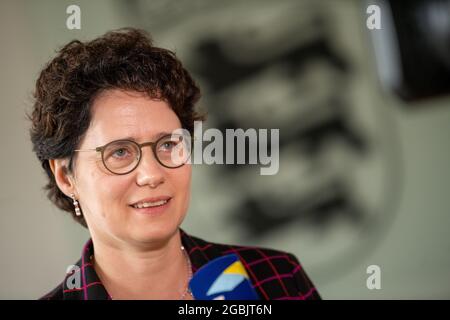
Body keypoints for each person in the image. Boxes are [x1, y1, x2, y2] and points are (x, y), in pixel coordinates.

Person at [30, 28, 320, 300]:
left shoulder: (277, 278)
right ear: (66, 177)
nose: (152, 174)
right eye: (120, 152)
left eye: (168, 145)